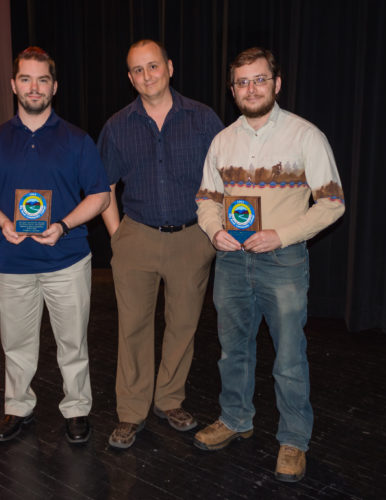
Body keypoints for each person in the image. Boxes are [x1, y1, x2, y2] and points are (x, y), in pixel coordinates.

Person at [194, 47, 345, 482]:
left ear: (276, 84)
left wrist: (282, 234)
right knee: (232, 350)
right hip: (231, 261)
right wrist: (213, 228)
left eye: (259, 79)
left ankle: (294, 439)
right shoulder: (222, 141)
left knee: (290, 357)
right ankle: (235, 419)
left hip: (282, 261)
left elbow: (332, 203)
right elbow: (206, 197)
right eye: (242, 82)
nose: (251, 88)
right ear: (233, 89)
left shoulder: (305, 136)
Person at [0, 47, 110, 444]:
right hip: (11, 262)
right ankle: (17, 406)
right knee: (16, 344)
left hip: (67, 259)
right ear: (14, 85)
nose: (34, 87)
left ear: (54, 86)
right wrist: (3, 221)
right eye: (26, 79)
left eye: (42, 79)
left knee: (73, 343)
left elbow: (99, 195)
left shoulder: (77, 140)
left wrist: (63, 224)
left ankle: (77, 408)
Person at [98, 39, 223, 449]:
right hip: (137, 236)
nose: (146, 76)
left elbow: (225, 179)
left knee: (183, 325)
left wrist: (214, 229)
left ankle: (169, 399)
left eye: (153, 66)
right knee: (132, 328)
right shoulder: (117, 126)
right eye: (137, 70)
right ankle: (131, 412)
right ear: (130, 78)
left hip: (192, 238)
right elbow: (104, 187)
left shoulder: (203, 119)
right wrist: (119, 236)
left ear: (169, 67)